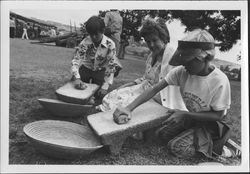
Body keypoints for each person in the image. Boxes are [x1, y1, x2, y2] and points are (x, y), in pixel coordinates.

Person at [113, 29, 231, 159]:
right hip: (191, 118)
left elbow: (218, 115)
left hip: (211, 126)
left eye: (187, 61)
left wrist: (185, 114)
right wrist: (128, 108)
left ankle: (218, 147)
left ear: (203, 58)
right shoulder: (181, 72)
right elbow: (154, 89)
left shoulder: (219, 80)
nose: (183, 65)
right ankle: (193, 137)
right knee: (160, 135)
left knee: (176, 147)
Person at [98, 17, 186, 112]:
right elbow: (146, 78)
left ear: (163, 38)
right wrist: (130, 84)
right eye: (148, 41)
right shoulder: (151, 56)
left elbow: (169, 86)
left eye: (154, 40)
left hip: (157, 95)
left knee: (124, 104)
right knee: (114, 95)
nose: (151, 45)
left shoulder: (171, 57)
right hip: (143, 89)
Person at [71, 16, 121, 99]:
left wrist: (105, 86)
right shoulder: (85, 42)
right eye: (91, 34)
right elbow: (76, 60)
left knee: (99, 95)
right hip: (86, 68)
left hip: (100, 70)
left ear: (102, 31)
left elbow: (111, 65)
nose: (93, 37)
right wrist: (77, 78)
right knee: (77, 90)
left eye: (96, 34)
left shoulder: (110, 44)